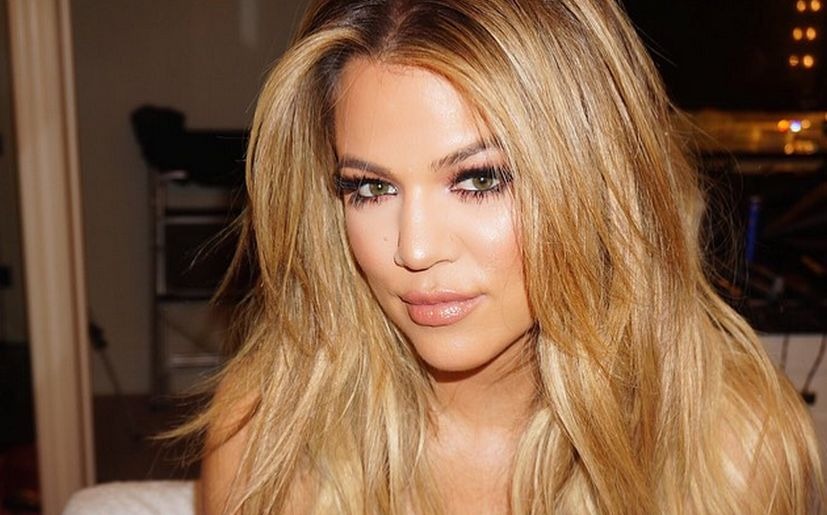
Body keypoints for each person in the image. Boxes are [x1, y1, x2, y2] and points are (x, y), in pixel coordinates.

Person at [177, 0, 824, 512]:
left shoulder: (736, 450)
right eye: (369, 188)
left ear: (598, 178)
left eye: (479, 179)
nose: (415, 248)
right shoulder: (266, 441)